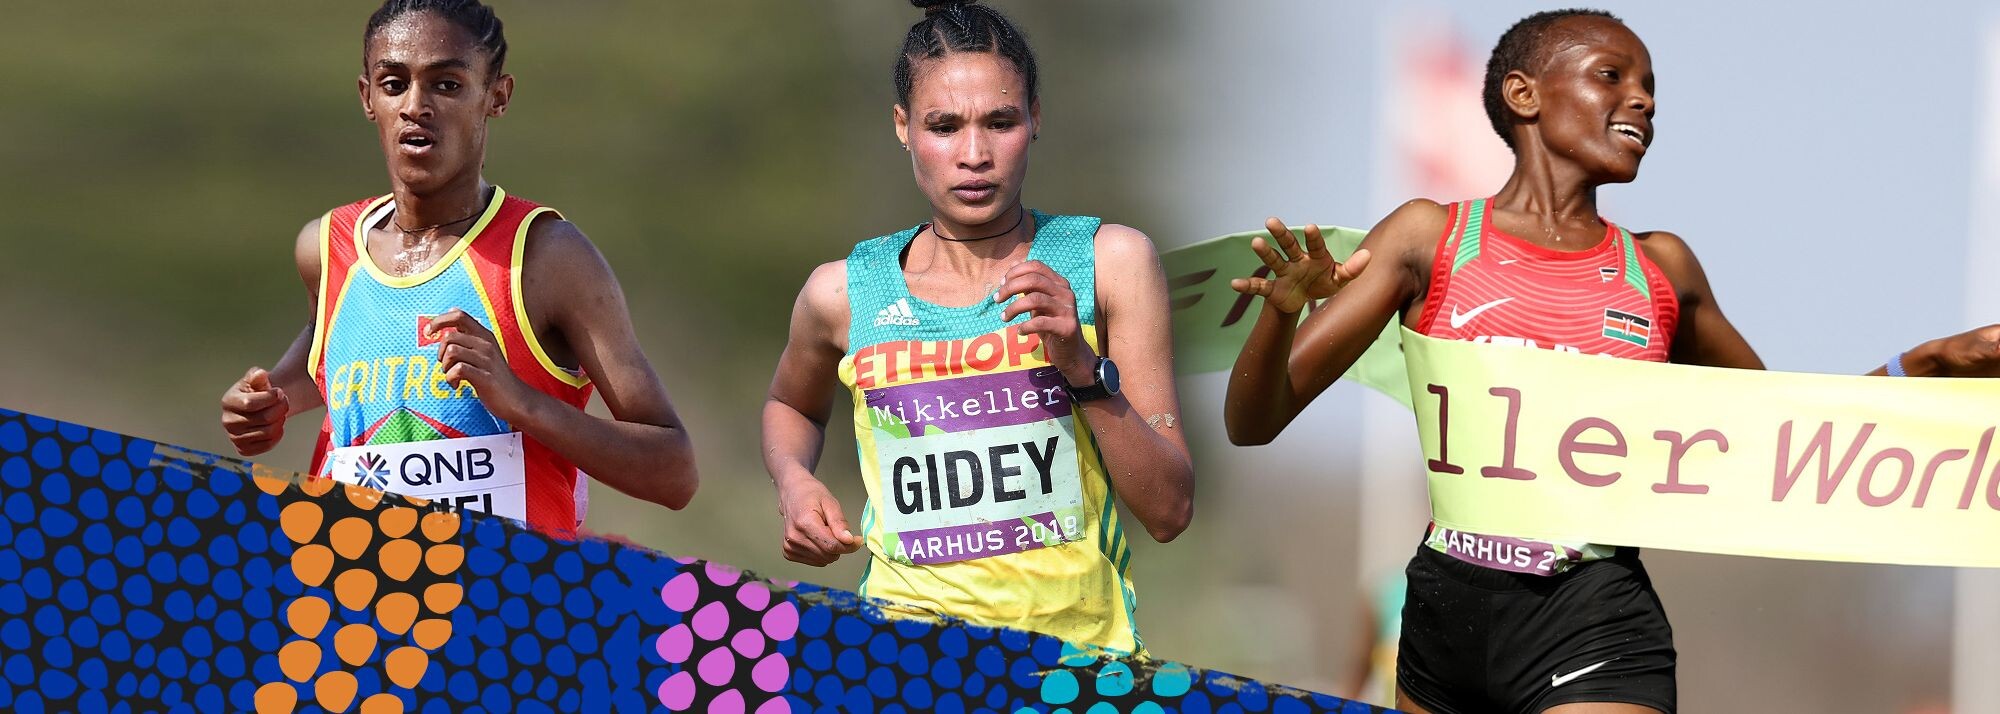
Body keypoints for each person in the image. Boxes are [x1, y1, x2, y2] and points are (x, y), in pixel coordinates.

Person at [1223, 9, 2000, 713]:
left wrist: (1921, 366)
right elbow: (1251, 423)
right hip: (1445, 616)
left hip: (1593, 612)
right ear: (1525, 95)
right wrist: (1282, 314)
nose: (1643, 101)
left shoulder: (1662, 269)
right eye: (1612, 76)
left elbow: (1782, 447)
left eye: (1650, 87)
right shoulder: (1430, 237)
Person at [760, 0, 1193, 654]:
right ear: (903, 127)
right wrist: (795, 480)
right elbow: (790, 404)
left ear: (1035, 118)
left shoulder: (1108, 262)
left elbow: (1169, 511)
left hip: (1073, 667)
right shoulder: (843, 292)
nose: (974, 154)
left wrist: (1080, 368)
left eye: (1000, 121)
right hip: (901, 659)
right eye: (943, 126)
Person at [218, 0, 697, 533]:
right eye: (394, 84)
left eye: (446, 85)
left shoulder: (546, 257)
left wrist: (520, 401)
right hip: (350, 573)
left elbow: (673, 473)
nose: (415, 106)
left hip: (502, 584)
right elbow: (329, 347)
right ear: (367, 98)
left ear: (497, 97)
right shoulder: (326, 247)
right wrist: (274, 400)